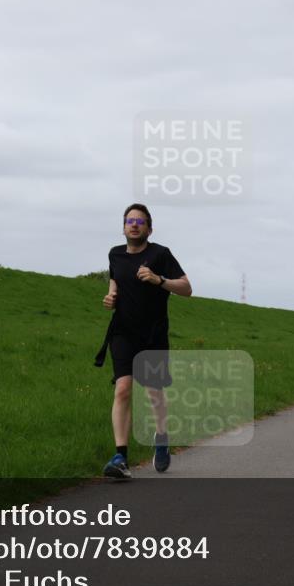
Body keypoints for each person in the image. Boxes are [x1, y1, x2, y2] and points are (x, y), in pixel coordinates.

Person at [95, 204, 191, 478]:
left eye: (140, 221)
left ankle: (162, 439)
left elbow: (186, 288)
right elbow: (115, 283)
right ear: (124, 226)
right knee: (123, 389)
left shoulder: (160, 254)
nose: (134, 224)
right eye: (129, 220)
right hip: (122, 332)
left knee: (153, 393)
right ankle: (120, 458)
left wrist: (158, 279)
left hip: (153, 334)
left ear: (149, 228)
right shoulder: (115, 255)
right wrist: (110, 298)